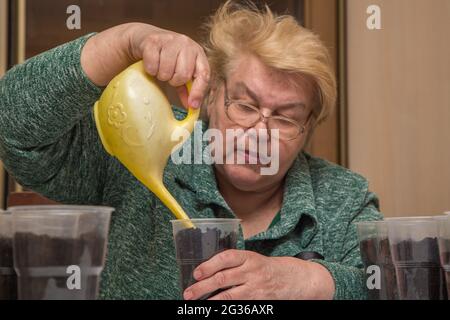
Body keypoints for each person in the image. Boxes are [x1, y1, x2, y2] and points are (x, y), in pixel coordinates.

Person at [0, 1, 382, 299]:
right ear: (211, 96)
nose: (258, 133)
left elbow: (388, 281)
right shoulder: (141, 151)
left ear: (309, 128)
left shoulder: (343, 198)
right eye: (244, 106)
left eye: (284, 118)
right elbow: (13, 126)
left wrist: (311, 281)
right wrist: (124, 42)